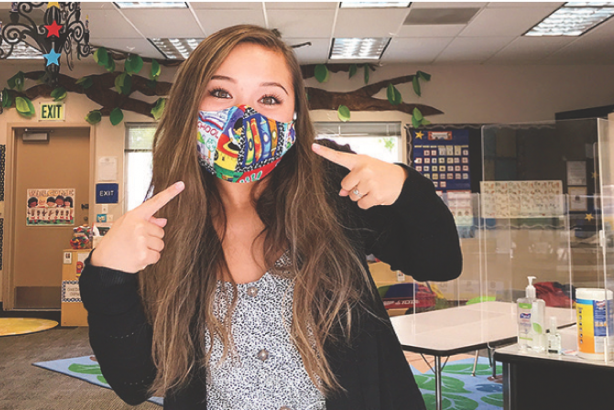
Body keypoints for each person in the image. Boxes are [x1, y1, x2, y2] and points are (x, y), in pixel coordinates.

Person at [80, 24, 462, 410]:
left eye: (269, 98)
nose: (244, 115)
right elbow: (135, 383)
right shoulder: (162, 227)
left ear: (293, 114)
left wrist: (406, 188)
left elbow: (441, 264)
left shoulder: (332, 187)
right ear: (189, 105)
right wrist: (108, 275)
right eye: (220, 92)